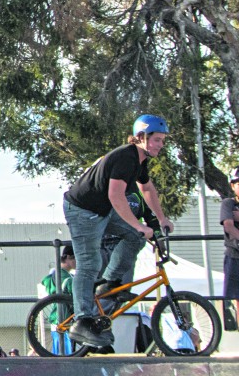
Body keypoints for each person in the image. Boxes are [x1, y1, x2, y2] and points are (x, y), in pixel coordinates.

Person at [62, 115, 172, 349]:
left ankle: (109, 284)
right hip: (82, 210)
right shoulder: (125, 157)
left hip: (102, 210)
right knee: (89, 263)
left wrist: (161, 218)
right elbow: (115, 195)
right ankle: (82, 320)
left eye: (163, 141)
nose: (161, 145)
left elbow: (146, 187)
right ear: (141, 137)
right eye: (157, 140)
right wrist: (139, 225)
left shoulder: (140, 160)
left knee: (135, 238)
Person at [39, 245, 76, 355]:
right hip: (64, 319)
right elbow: (73, 289)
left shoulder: (57, 274)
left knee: (60, 354)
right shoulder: (64, 276)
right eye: (76, 258)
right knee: (65, 355)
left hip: (58, 319)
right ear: (68, 257)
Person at [219, 166, 239, 328]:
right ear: (233, 186)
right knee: (236, 299)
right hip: (234, 256)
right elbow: (228, 226)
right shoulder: (228, 204)